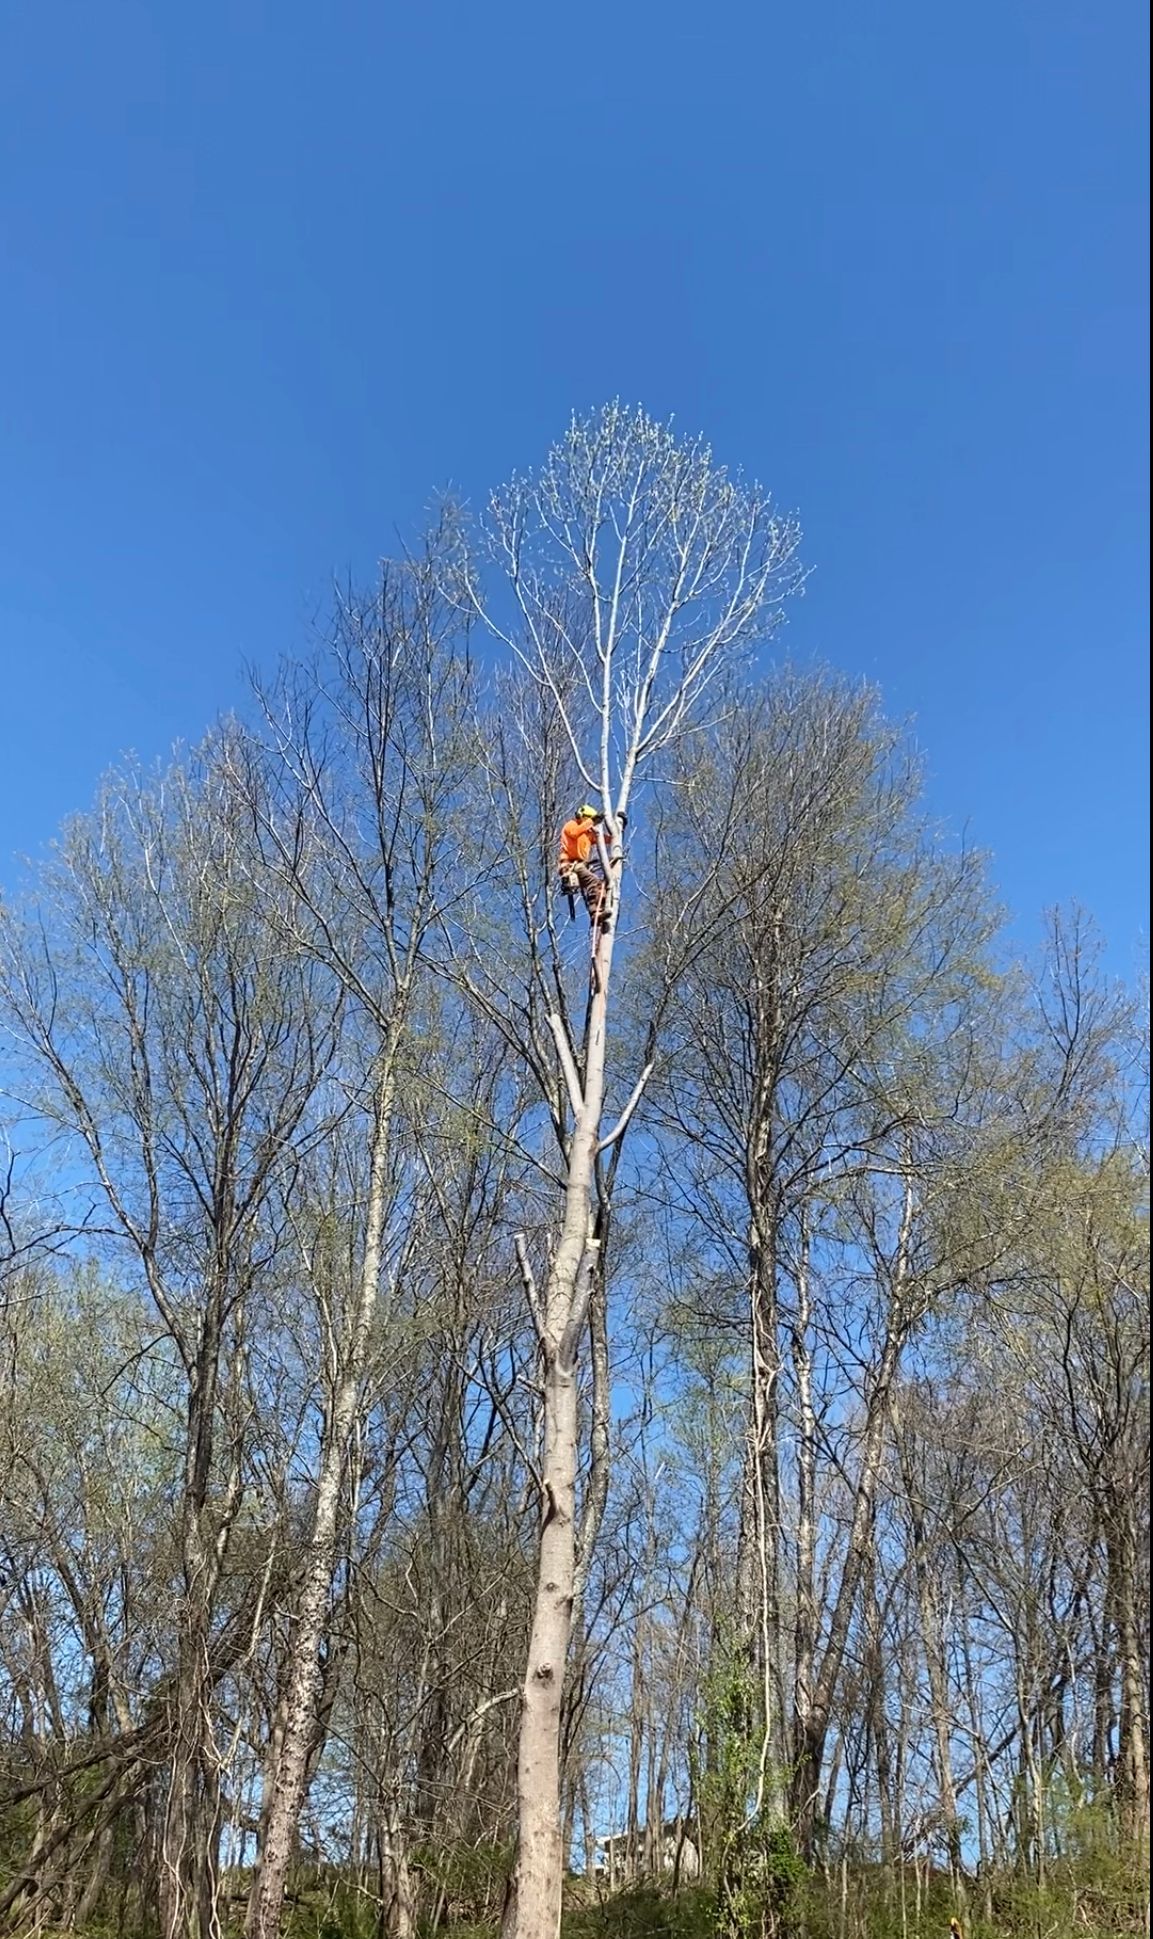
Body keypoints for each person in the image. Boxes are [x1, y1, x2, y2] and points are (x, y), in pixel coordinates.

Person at [558, 805, 608, 927]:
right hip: (570, 865)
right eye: (588, 820)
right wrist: (592, 821)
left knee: (597, 885)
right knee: (594, 882)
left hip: (580, 866)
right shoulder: (571, 825)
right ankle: (596, 911)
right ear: (582, 816)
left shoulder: (587, 834)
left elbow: (606, 839)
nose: (590, 824)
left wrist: (620, 829)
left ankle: (597, 912)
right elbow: (574, 833)